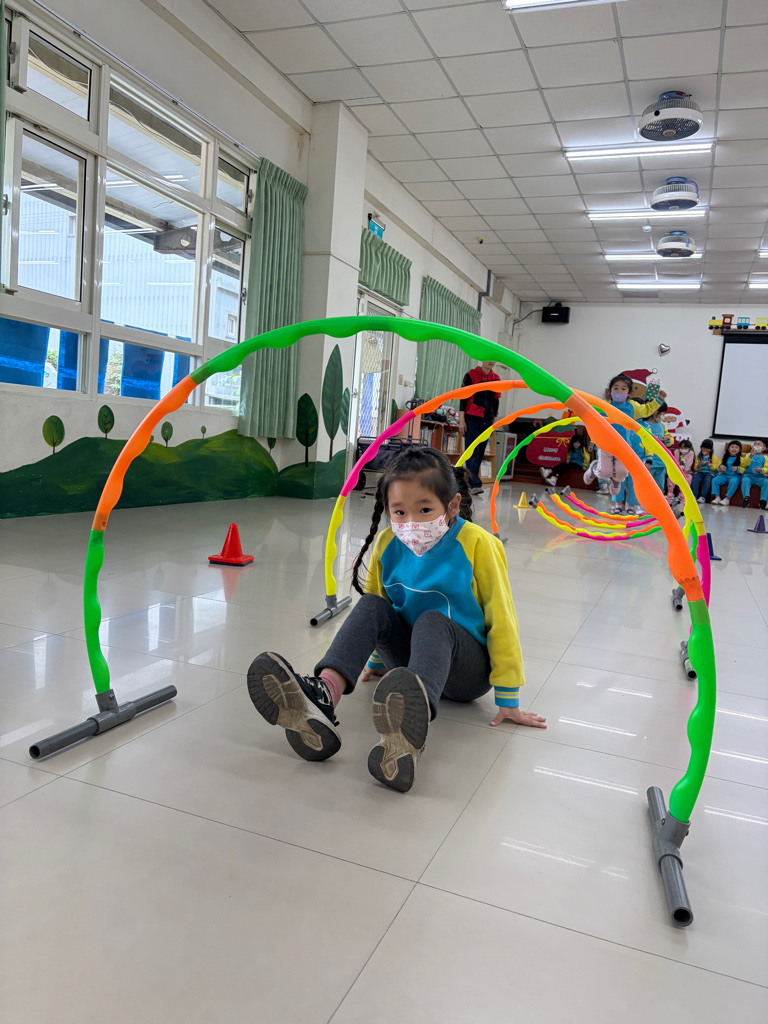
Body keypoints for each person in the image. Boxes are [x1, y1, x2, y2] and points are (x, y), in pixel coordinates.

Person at [245, 448, 545, 793]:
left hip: (466, 672)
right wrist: (375, 662)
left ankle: (411, 721)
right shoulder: (388, 542)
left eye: (424, 510)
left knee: (432, 620)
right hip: (411, 665)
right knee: (370, 602)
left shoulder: (479, 545)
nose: (411, 523)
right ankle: (325, 694)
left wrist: (508, 699)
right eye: (399, 512)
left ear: (452, 505)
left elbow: (502, 620)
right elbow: (381, 610)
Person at [583, 372, 666, 511]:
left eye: (623, 389)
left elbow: (647, 410)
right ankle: (594, 468)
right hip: (606, 446)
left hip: (623, 448)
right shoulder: (604, 405)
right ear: (610, 391)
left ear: (628, 392)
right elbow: (590, 414)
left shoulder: (632, 407)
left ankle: (616, 482)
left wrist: (659, 399)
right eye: (616, 388)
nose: (619, 391)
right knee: (604, 473)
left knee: (622, 473)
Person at [459, 360, 501, 495]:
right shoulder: (471, 375)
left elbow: (496, 401)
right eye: (489, 359)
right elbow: (463, 398)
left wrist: (494, 422)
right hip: (472, 418)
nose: (491, 362)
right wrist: (461, 420)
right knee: (472, 451)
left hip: (488, 420)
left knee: (481, 452)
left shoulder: (496, 378)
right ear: (482, 359)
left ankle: (472, 483)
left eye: (494, 359)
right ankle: (473, 484)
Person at [640, 401, 673, 492]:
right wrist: (656, 439)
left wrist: (668, 440)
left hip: (661, 463)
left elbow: (669, 438)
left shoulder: (662, 425)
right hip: (649, 463)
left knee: (659, 488)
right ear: (656, 412)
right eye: (662, 414)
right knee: (647, 487)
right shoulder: (644, 424)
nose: (663, 416)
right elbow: (643, 441)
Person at [711, 440, 749, 506]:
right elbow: (718, 467)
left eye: (736, 447)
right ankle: (717, 497)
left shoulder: (741, 459)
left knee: (734, 481)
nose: (734, 449)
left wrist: (738, 469)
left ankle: (727, 498)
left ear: (739, 450)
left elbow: (744, 469)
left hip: (735, 476)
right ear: (728, 449)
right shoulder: (724, 458)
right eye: (732, 447)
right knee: (715, 480)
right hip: (724, 475)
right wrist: (720, 467)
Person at [740, 439, 768, 509]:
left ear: (764, 448)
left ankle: (763, 500)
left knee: (766, 482)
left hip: (759, 477)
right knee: (745, 480)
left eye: (758, 444)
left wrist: (761, 470)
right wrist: (750, 456)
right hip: (748, 476)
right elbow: (744, 463)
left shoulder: (765, 458)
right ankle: (746, 498)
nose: (755, 445)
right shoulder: (748, 455)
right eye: (755, 444)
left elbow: (767, 468)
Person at [666, 438, 695, 505]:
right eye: (681, 448)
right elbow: (675, 462)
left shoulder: (691, 453)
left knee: (688, 479)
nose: (683, 449)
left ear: (689, 448)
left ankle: (682, 494)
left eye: (685, 448)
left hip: (686, 472)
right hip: (677, 471)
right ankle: (670, 493)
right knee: (670, 478)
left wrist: (684, 471)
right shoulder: (676, 452)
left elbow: (689, 464)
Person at [690, 439, 719, 504]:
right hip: (700, 472)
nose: (705, 450)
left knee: (707, 479)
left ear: (711, 449)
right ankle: (694, 495)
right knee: (695, 477)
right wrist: (699, 465)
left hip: (710, 473)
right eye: (703, 448)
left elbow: (716, 468)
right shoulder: (698, 457)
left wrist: (709, 465)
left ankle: (703, 497)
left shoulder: (713, 457)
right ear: (700, 447)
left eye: (707, 449)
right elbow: (695, 468)